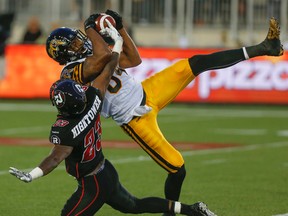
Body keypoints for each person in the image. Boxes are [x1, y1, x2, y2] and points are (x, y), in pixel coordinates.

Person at [45, 11, 283, 216]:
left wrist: (121, 28)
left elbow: (134, 59)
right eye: (74, 44)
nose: (81, 43)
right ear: (63, 54)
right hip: (134, 117)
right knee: (177, 167)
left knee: (193, 64)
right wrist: (91, 27)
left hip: (147, 91)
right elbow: (102, 58)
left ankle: (263, 47)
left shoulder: (92, 56)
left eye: (80, 39)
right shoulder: (70, 73)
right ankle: (172, 212)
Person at [9, 21, 216, 216]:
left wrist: (32, 174)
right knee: (135, 205)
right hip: (105, 169)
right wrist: (117, 44)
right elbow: (106, 73)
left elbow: (56, 157)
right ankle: (192, 210)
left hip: (93, 181)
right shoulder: (93, 98)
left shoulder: (65, 126)